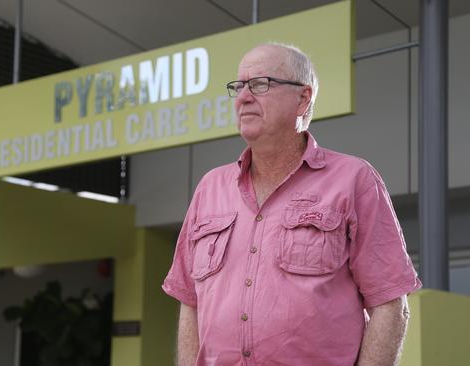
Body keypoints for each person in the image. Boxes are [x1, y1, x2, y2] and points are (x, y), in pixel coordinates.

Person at [162, 43, 421, 366]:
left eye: (259, 84)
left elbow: (390, 303)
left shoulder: (354, 179)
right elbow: (190, 301)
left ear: (303, 98)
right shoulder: (209, 188)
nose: (243, 97)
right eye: (238, 86)